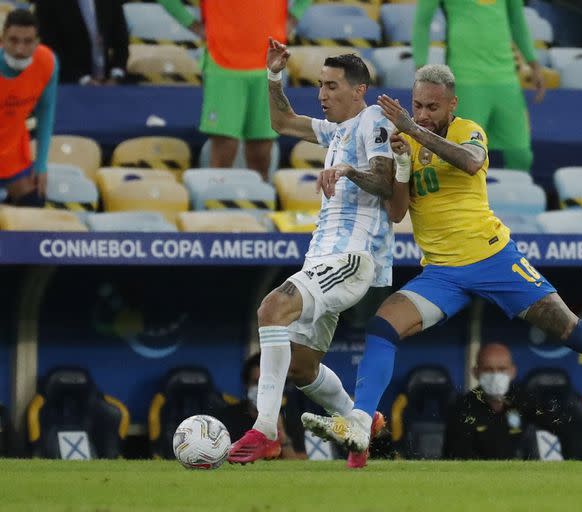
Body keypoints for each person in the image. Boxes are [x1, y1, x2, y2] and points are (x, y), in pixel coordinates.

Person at [301, 65, 582, 466]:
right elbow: (397, 213)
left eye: (432, 106)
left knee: (571, 329)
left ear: (452, 104)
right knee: (383, 325)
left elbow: (469, 163)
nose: (423, 112)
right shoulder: (406, 143)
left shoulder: (469, 131)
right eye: (417, 105)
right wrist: (399, 165)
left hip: (493, 259)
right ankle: (360, 421)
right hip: (442, 273)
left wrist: (414, 131)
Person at [226, 40, 391, 466]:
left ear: (359, 90)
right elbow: (282, 122)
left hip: (350, 258)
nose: (322, 95)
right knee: (301, 368)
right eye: (319, 85)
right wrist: (275, 76)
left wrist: (350, 170)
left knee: (271, 308)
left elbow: (387, 182)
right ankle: (359, 423)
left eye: (332, 86)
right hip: (322, 260)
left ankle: (265, 431)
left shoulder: (373, 121)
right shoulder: (336, 131)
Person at [158, 0, 311, 179]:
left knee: (261, 155)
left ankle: (257, 204)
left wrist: (294, 16)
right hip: (223, 64)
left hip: (267, 63)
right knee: (224, 153)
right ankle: (220, 202)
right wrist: (192, 24)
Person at [412, 0, 545, 171]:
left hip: (506, 79)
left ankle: (513, 196)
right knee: (464, 157)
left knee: (521, 155)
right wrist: (420, 68)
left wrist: (533, 63)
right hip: (466, 79)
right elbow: (422, 22)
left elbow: (517, 21)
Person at [0, 9, 58, 206]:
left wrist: (41, 164)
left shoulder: (47, 62)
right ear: (3, 40)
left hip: (12, 151)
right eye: (13, 40)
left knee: (34, 202)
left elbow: (46, 112)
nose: (19, 49)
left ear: (37, 42)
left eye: (27, 41)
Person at [444, 343, 539, 460]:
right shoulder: (462, 409)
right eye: (488, 370)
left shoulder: (526, 403)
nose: (495, 376)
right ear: (476, 372)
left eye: (502, 369)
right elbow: (458, 458)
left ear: (513, 371)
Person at [216, 354, 306, 460]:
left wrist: (282, 436)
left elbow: (299, 465)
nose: (262, 389)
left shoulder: (290, 416)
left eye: (267, 384)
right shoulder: (226, 418)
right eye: (256, 382)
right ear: (246, 385)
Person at [35, 0, 129, 85]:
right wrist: (84, 80)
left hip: (111, 83)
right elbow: (50, 49)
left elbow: (121, 42)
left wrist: (116, 75)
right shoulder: (47, 3)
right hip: (70, 84)